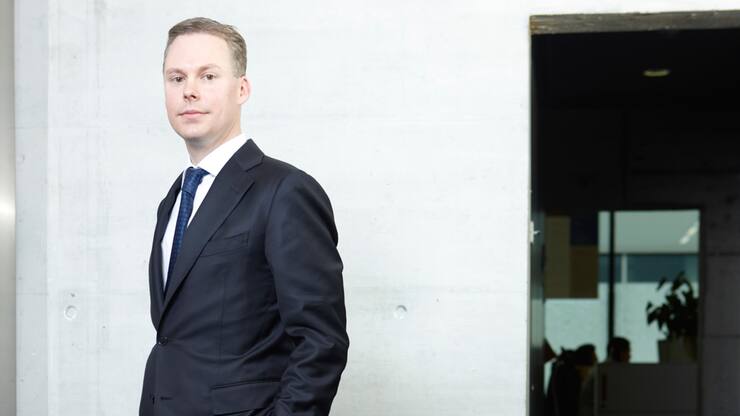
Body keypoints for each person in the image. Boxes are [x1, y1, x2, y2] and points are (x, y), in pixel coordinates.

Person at [139, 17, 349, 416]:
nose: (189, 91)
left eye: (208, 76)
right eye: (176, 78)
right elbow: (173, 338)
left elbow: (321, 341)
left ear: (242, 89)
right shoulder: (174, 199)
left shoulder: (284, 191)